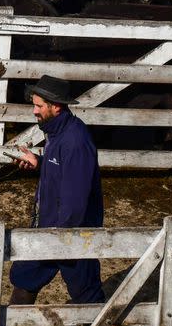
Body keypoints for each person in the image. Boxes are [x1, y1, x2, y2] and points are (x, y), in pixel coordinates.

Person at [9, 75, 106, 305]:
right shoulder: (56, 133)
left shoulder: (75, 141)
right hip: (49, 226)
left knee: (87, 294)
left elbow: (75, 199)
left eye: (38, 106)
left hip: (72, 233)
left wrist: (58, 239)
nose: (34, 111)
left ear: (56, 107)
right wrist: (38, 163)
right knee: (24, 278)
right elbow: (63, 173)